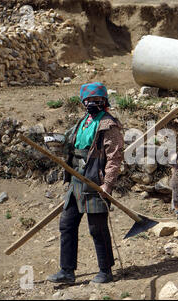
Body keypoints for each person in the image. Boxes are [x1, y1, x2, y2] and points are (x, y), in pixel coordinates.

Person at [47, 82, 124, 284]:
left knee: (96, 228)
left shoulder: (109, 124)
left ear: (104, 101)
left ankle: (105, 271)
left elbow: (114, 158)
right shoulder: (83, 121)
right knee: (67, 224)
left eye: (97, 100)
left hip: (95, 181)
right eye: (88, 100)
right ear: (83, 102)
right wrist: (56, 145)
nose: (92, 103)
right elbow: (69, 144)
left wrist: (107, 184)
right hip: (76, 181)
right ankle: (67, 271)